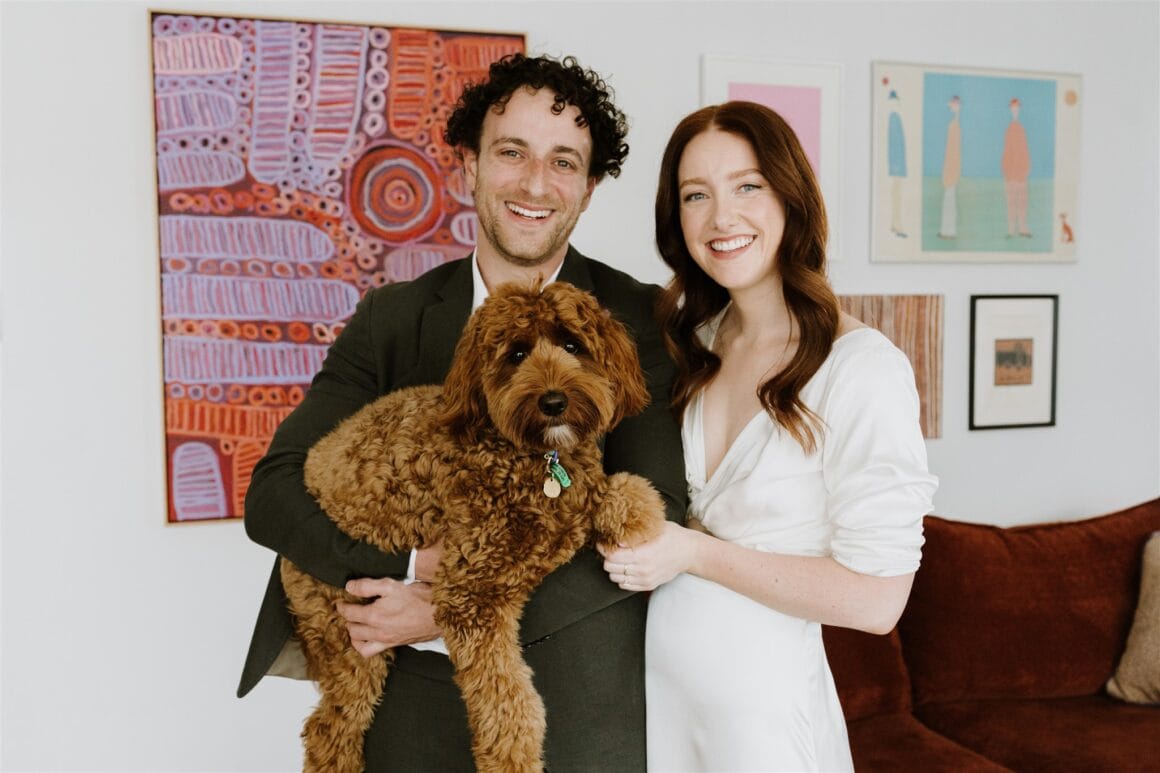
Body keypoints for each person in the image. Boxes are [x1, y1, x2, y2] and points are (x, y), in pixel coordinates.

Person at [237, 53, 686, 772]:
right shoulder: (392, 317)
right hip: (406, 712)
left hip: (572, 709)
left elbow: (658, 515)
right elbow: (274, 495)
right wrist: (410, 567)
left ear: (588, 188)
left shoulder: (638, 317)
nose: (535, 183)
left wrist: (451, 604)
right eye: (512, 152)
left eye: (563, 162)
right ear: (469, 165)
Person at [600, 101, 937, 771]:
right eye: (696, 195)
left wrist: (693, 552)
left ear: (790, 196)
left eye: (747, 186)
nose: (722, 218)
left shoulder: (861, 368)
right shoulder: (688, 347)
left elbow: (878, 600)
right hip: (662, 705)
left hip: (762, 721)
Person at [1002, 97, 1031, 237]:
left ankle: (1023, 228)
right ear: (1010, 110)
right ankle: (1011, 229)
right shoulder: (1009, 130)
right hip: (1011, 175)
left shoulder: (1021, 129)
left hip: (1021, 174)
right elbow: (1006, 152)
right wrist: (1007, 172)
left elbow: (1025, 151)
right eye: (1013, 109)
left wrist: (1025, 170)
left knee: (1022, 203)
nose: (1015, 111)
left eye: (1017, 109)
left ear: (1019, 110)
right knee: (1011, 203)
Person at [939, 95, 962, 239]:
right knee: (949, 199)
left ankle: (949, 231)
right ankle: (946, 230)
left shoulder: (954, 126)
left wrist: (951, 171)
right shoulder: (954, 125)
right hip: (950, 168)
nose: (952, 107)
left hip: (951, 169)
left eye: (954, 105)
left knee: (949, 200)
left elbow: (953, 151)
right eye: (952, 105)